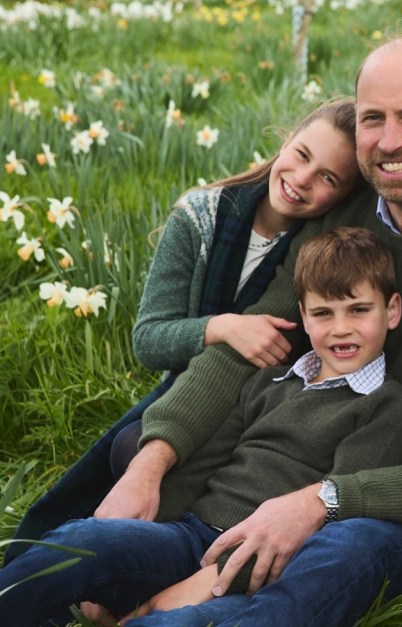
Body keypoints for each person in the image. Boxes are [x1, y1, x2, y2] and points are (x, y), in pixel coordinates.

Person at [82, 37, 402, 625]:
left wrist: (322, 501)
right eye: (373, 120)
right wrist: (148, 468)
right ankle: (137, 577)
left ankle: (179, 609)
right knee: (141, 455)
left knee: (340, 549)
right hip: (297, 472)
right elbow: (250, 348)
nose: (390, 141)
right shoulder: (342, 220)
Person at [0, 226, 402, 626]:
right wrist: (134, 537)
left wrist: (204, 584)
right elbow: (202, 466)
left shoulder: (386, 408)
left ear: (392, 310)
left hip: (261, 571)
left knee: (177, 622)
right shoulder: (269, 382)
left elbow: (329, 518)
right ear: (304, 320)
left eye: (359, 310)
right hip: (190, 537)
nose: (341, 328)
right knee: (85, 542)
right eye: (323, 313)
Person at [6, 99, 363, 563]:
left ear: (343, 196)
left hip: (260, 404)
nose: (303, 179)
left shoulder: (317, 250)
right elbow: (149, 339)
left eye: (328, 178)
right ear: (286, 141)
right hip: (189, 389)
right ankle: (63, 565)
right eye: (302, 155)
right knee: (126, 449)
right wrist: (222, 327)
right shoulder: (199, 217)